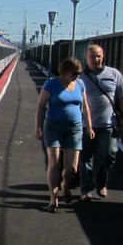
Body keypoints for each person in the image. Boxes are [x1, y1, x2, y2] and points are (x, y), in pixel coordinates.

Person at [35, 57, 94, 212]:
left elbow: (85, 106)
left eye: (78, 74)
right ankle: (53, 199)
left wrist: (89, 126)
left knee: (72, 167)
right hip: (54, 127)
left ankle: (65, 185)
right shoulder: (51, 84)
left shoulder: (80, 84)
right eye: (74, 74)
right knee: (54, 162)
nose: (77, 77)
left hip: (74, 128)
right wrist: (38, 127)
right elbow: (41, 106)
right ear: (65, 72)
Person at [79, 44, 123, 200]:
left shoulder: (114, 74)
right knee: (85, 158)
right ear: (86, 58)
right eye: (92, 56)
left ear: (103, 56)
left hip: (108, 124)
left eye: (98, 56)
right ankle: (86, 190)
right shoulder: (80, 76)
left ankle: (101, 183)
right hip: (85, 125)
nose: (96, 59)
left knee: (108, 155)